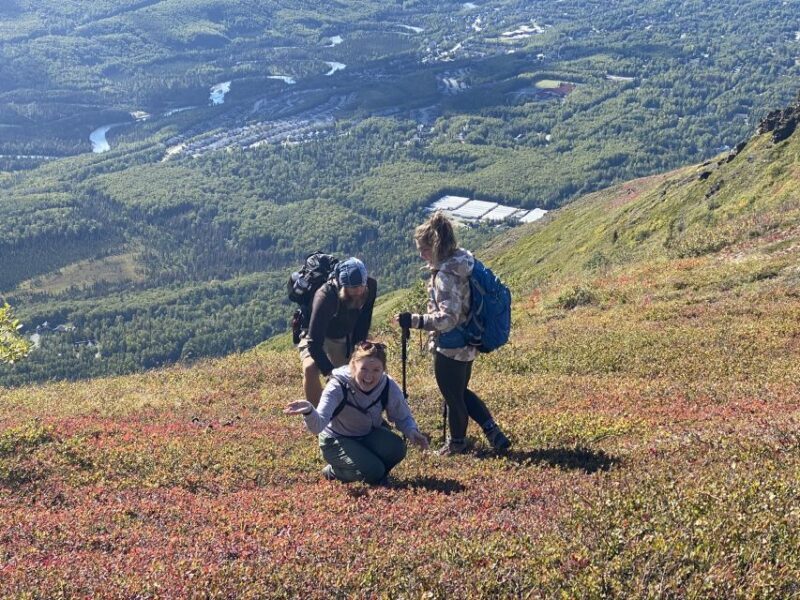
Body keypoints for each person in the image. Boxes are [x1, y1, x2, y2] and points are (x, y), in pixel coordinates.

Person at [395, 211, 511, 456]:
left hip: (451, 343)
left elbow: (448, 318)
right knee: (460, 392)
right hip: (470, 338)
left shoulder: (445, 276)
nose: (421, 255)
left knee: (453, 397)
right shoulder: (462, 262)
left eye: (424, 250)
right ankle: (493, 432)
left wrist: (415, 321)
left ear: (436, 247)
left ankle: (457, 444)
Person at [285, 340, 429, 483]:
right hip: (336, 439)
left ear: (383, 369)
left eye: (376, 370)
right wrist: (309, 411)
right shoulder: (337, 385)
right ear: (353, 365)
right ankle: (334, 471)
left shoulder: (387, 385)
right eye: (364, 369)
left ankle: (369, 470)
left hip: (367, 434)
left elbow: (402, 416)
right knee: (375, 470)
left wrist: (411, 431)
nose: (369, 376)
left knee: (397, 449)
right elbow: (318, 425)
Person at [298, 257, 377, 406]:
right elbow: (314, 343)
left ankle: (365, 411)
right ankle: (318, 418)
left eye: (361, 287)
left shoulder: (369, 287)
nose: (359, 293)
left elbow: (363, 321)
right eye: (353, 290)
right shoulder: (325, 296)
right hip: (316, 335)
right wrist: (330, 373)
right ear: (342, 286)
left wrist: (358, 350)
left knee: (362, 368)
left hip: (344, 334)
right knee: (310, 368)